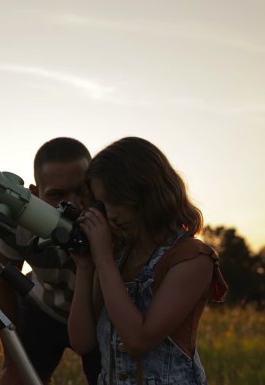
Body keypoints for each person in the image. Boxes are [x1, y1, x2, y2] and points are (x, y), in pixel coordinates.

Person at [68, 137, 228, 385]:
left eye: (116, 202)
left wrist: (103, 259)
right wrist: (85, 266)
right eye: (103, 205)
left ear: (144, 192)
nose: (111, 216)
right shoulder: (117, 258)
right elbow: (82, 342)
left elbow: (138, 340)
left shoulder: (192, 258)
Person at [0, 137, 101, 385]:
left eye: (81, 191)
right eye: (57, 195)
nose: (73, 204)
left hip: (99, 319)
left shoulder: (113, 220)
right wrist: (12, 360)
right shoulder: (21, 224)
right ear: (35, 194)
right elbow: (3, 283)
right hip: (41, 311)